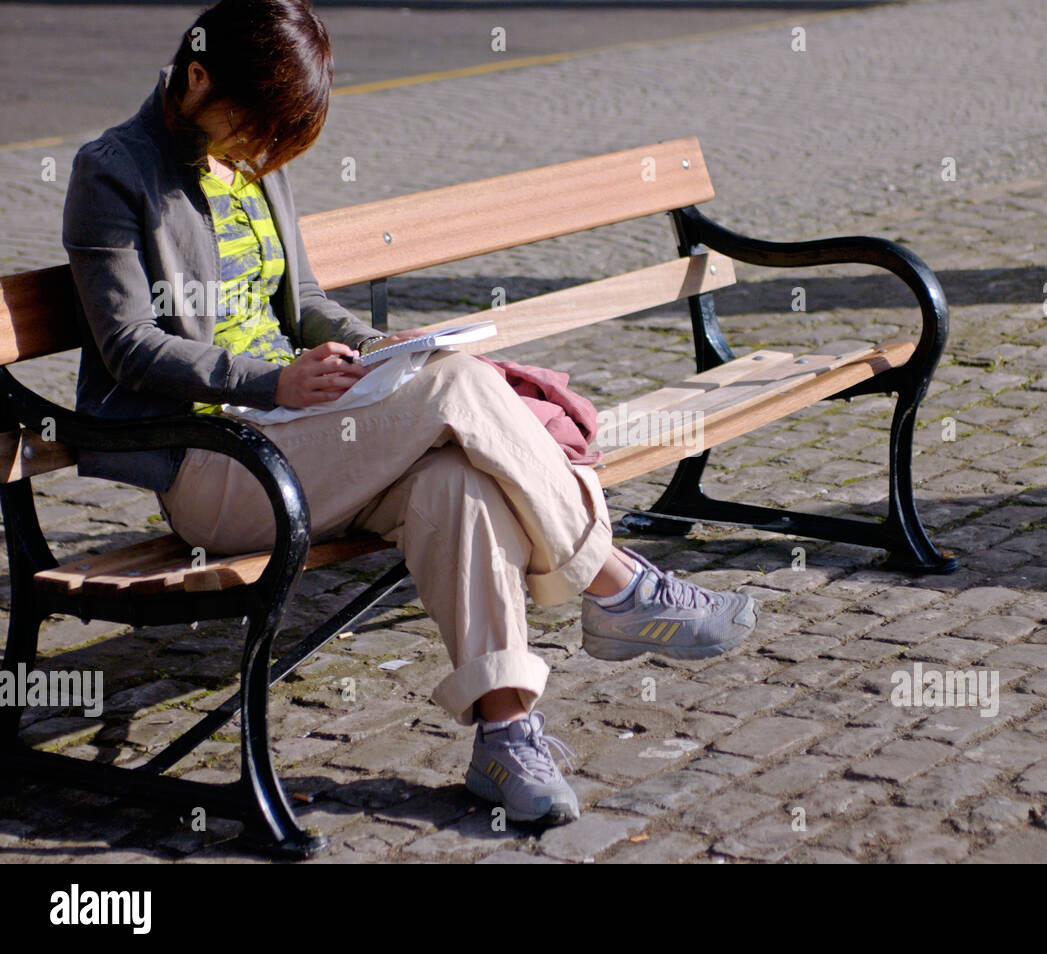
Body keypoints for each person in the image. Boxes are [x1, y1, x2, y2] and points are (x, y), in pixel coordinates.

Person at [60, 0, 756, 827]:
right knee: (457, 388)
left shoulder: (255, 159)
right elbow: (130, 346)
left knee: (457, 482)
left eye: (274, 141)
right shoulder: (114, 170)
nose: (258, 153)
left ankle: (506, 736)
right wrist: (268, 383)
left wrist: (383, 347)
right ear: (197, 76)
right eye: (251, 129)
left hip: (311, 441)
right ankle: (616, 584)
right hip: (216, 463)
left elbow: (306, 302)